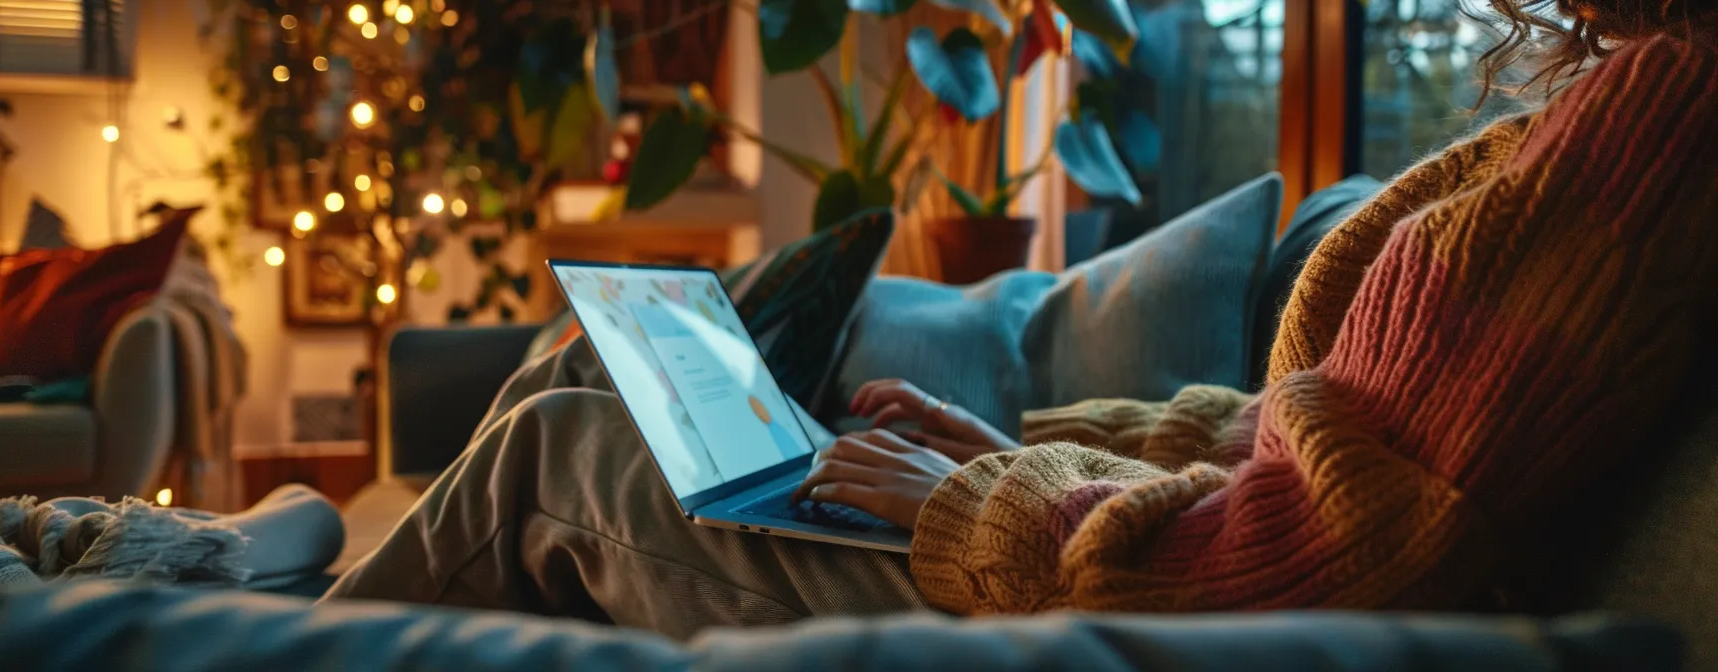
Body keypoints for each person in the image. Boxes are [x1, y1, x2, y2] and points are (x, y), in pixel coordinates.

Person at [326, 4, 1718, 638]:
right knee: (566, 426)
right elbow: (1277, 441)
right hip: (1106, 552)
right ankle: (226, 586)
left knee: (555, 457)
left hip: (1158, 609)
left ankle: (183, 621)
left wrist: (988, 508)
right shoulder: (1618, 119)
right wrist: (1004, 449)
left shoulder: (1654, 128)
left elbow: (1331, 545)